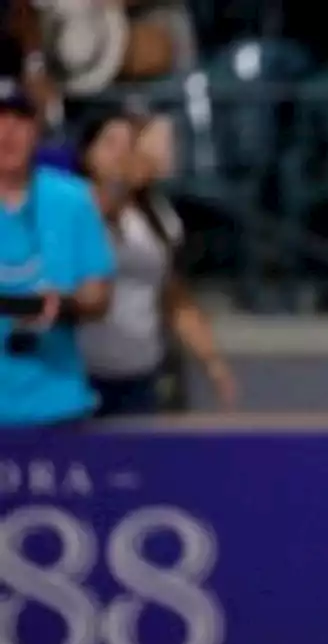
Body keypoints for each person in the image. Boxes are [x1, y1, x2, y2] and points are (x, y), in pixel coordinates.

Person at [73, 109, 237, 417]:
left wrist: (212, 361)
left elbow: (174, 297)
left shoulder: (159, 217)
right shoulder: (72, 206)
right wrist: (123, 180)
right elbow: (104, 210)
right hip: (83, 373)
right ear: (87, 154)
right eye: (111, 144)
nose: (122, 154)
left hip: (140, 374)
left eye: (130, 145)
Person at [0, 75, 113, 427]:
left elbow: (99, 295)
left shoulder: (73, 198)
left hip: (58, 406)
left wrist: (64, 304)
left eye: (20, 119)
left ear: (36, 129)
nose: (8, 132)